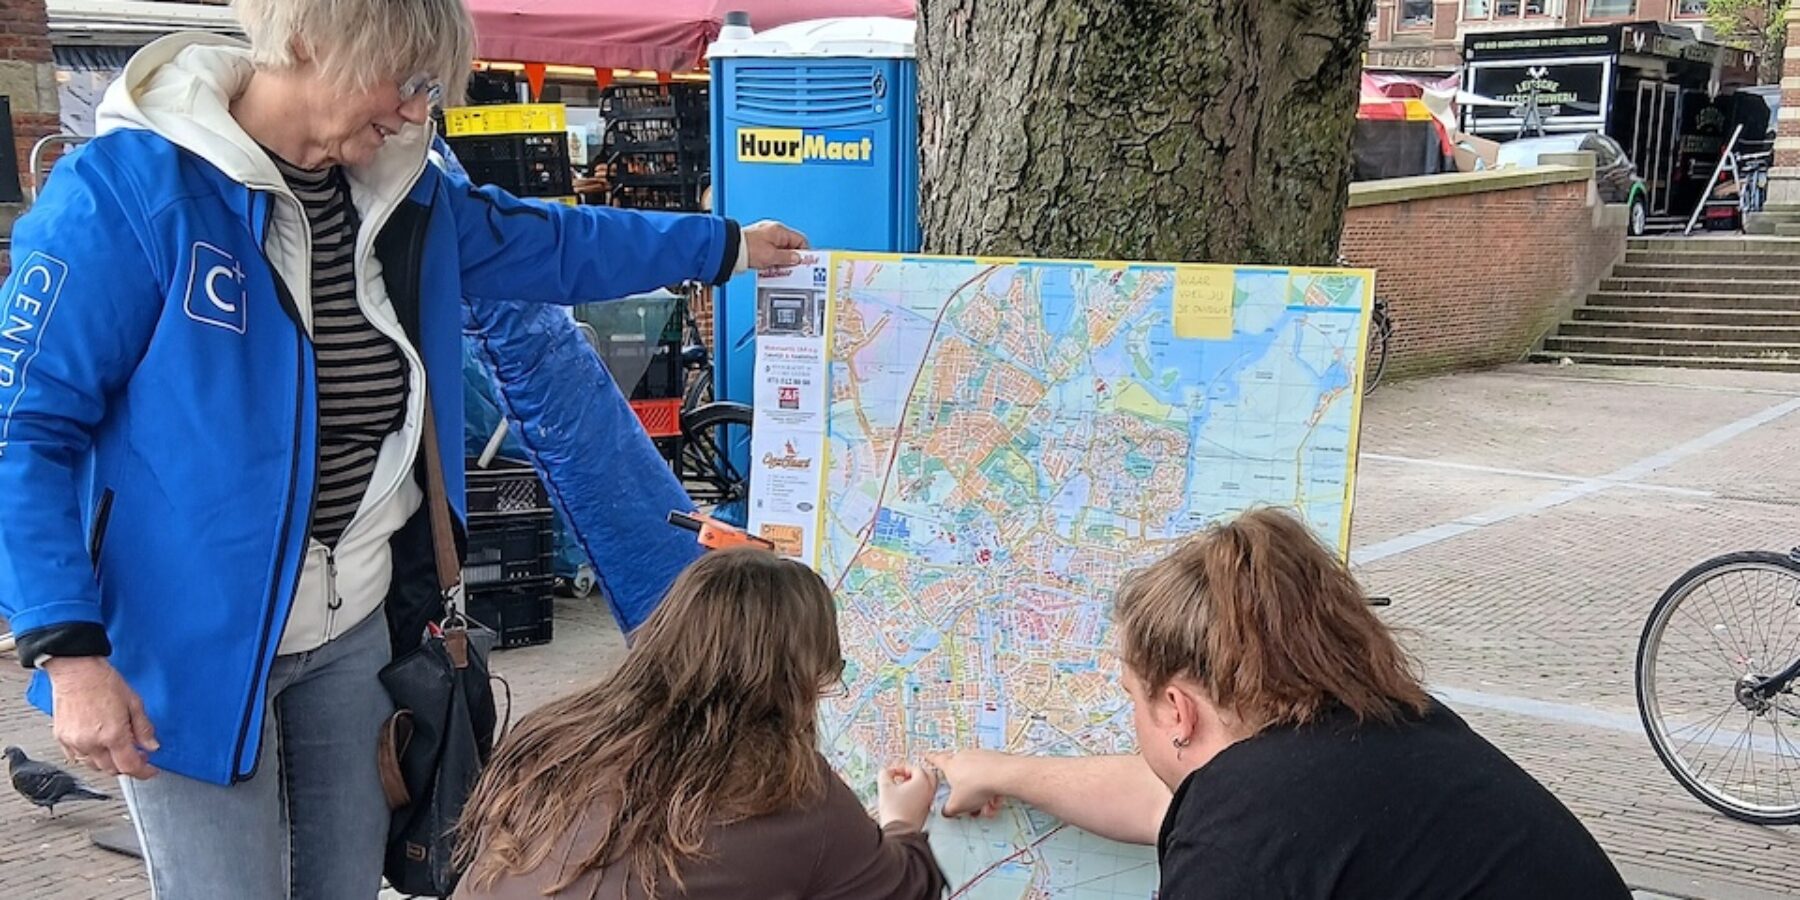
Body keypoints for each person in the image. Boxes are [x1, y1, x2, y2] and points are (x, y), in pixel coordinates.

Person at [0, 0, 807, 895]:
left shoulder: (405, 192)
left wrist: (724, 245)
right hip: (186, 647)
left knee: (346, 887)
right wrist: (69, 652)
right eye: (407, 82)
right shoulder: (127, 192)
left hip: (352, 627)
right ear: (311, 42)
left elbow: (554, 241)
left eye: (432, 89)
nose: (420, 111)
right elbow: (23, 432)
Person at [927, 508, 1631, 900]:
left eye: (1131, 698)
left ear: (1177, 708)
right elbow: (1164, 798)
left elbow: (1220, 822)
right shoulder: (1387, 730)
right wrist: (1004, 772)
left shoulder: (1246, 845)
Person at [454, 547, 947, 899]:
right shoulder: (786, 791)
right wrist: (902, 821)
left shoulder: (557, 736)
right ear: (794, 679)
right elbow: (907, 887)